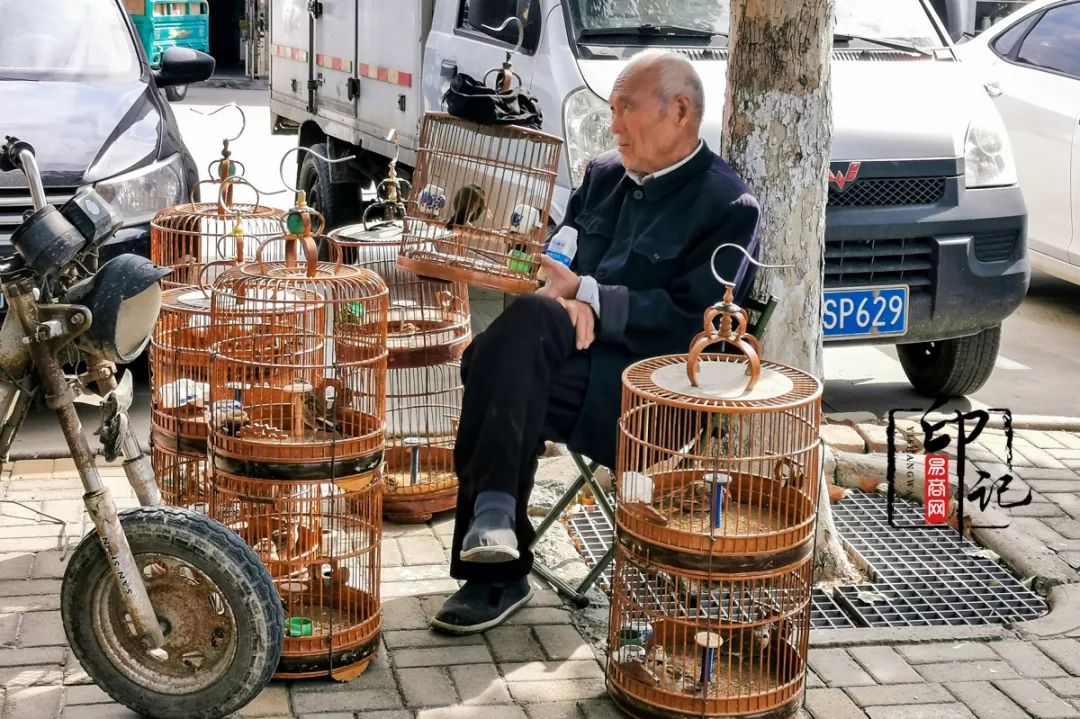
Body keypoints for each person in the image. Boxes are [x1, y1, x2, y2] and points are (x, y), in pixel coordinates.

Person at [430, 51, 762, 634]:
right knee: (521, 338)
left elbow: (698, 320)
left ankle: (496, 563)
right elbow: (557, 261)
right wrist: (564, 300)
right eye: (611, 110)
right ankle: (496, 534)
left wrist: (591, 298)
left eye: (625, 108)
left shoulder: (726, 205)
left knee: (491, 362)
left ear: (679, 110)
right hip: (555, 359)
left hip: (649, 395)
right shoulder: (603, 174)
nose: (613, 126)